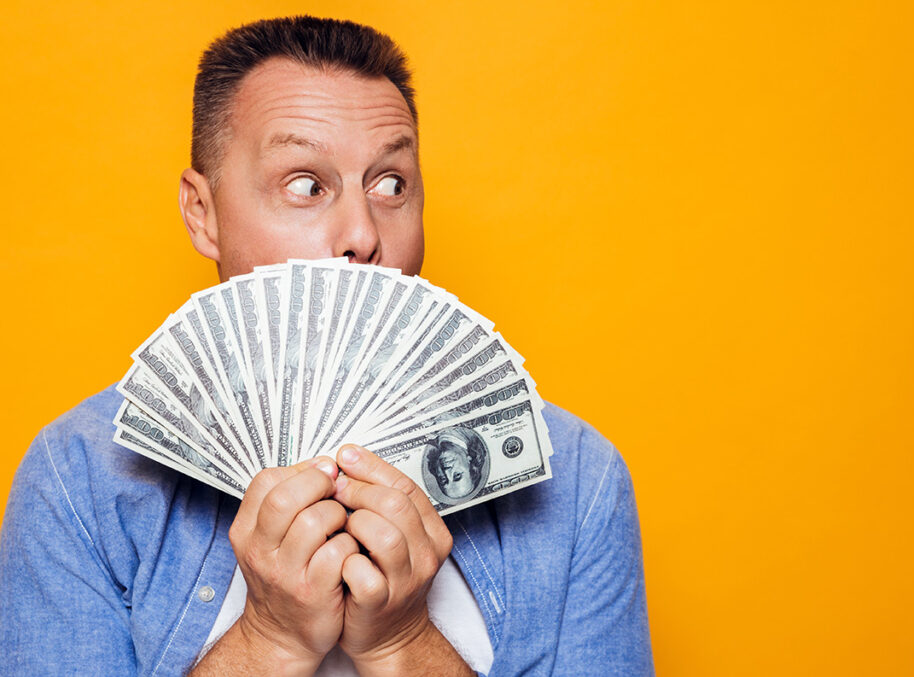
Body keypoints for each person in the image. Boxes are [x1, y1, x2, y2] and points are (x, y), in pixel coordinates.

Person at [0, 16, 653, 676]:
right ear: (204, 213)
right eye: (306, 184)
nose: (361, 233)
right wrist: (270, 638)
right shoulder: (79, 480)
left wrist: (400, 642)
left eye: (390, 183)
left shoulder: (576, 482)